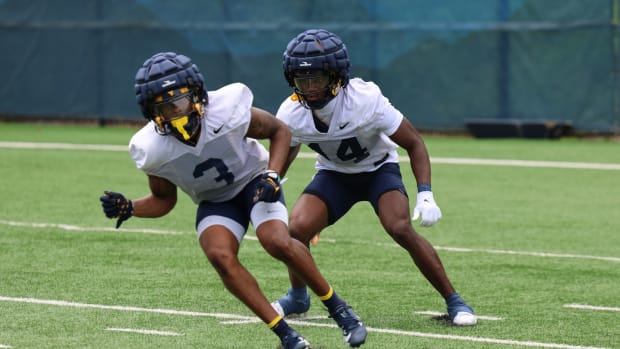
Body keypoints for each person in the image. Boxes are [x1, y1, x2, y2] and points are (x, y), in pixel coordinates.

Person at [99, 52, 368, 349]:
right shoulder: (151, 148)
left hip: (254, 180)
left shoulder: (226, 108)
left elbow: (280, 131)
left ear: (198, 93)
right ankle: (287, 336)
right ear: (151, 112)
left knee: (276, 240)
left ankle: (340, 310)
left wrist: (272, 175)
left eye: (181, 100)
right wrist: (130, 207)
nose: (176, 111)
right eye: (164, 107)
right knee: (220, 256)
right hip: (215, 201)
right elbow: (164, 200)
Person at [271, 29, 477, 327]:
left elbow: (414, 143)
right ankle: (298, 296)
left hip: (378, 170)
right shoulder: (291, 113)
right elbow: (283, 153)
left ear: (338, 76)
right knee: (297, 229)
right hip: (334, 175)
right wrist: (272, 182)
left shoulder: (365, 99)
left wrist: (426, 193)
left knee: (400, 227)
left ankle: (454, 300)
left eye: (318, 79)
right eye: (304, 80)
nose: (311, 88)